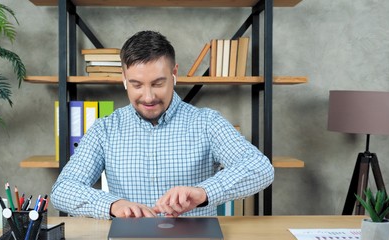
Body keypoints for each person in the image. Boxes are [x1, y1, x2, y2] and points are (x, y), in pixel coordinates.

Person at [50, 30, 274, 219]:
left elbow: (260, 168)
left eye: (158, 83)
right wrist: (112, 205)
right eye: (136, 85)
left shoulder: (207, 122)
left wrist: (203, 192)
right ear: (124, 78)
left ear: (174, 74)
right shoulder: (104, 130)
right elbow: (63, 190)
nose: (148, 97)